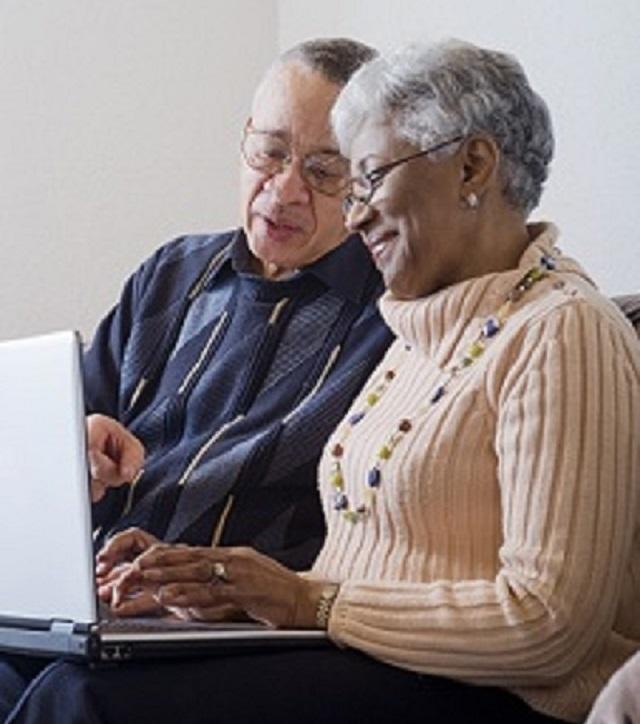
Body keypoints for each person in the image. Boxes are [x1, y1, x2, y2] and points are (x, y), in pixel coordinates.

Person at [2, 38, 639, 724]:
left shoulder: (561, 328)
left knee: (79, 699)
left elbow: (551, 624)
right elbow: (356, 566)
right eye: (270, 153)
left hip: (473, 689)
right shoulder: (425, 321)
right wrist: (215, 583)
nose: (356, 212)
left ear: (473, 165)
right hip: (337, 650)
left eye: (353, 176)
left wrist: (300, 599)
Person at [0, 37, 394, 720]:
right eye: (270, 152)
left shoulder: (394, 317)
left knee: (75, 701)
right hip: (100, 611)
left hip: (243, 629)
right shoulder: (173, 275)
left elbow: (377, 533)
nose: (284, 188)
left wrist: (209, 584)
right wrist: (77, 457)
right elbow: (63, 462)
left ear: (370, 179)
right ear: (245, 139)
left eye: (324, 170)